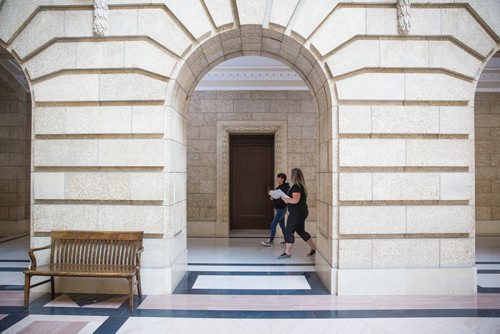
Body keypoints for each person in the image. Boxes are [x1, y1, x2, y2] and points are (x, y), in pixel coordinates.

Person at [276, 168, 316, 259]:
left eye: (291, 174)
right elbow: (295, 200)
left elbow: (295, 200)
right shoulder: (300, 185)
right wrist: (287, 199)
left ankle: (287, 253)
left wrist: (285, 199)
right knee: (301, 231)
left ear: (293, 175)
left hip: (297, 213)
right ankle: (314, 248)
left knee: (289, 231)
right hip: (301, 212)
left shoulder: (296, 186)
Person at [261, 173, 289, 246]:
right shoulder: (277, 188)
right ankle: (287, 240)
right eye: (277, 178)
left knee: (273, 224)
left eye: (278, 178)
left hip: (282, 209)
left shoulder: (285, 187)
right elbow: (277, 199)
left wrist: (275, 198)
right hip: (279, 209)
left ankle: (270, 240)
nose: (277, 179)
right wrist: (272, 198)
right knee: (282, 225)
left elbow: (284, 199)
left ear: (282, 178)